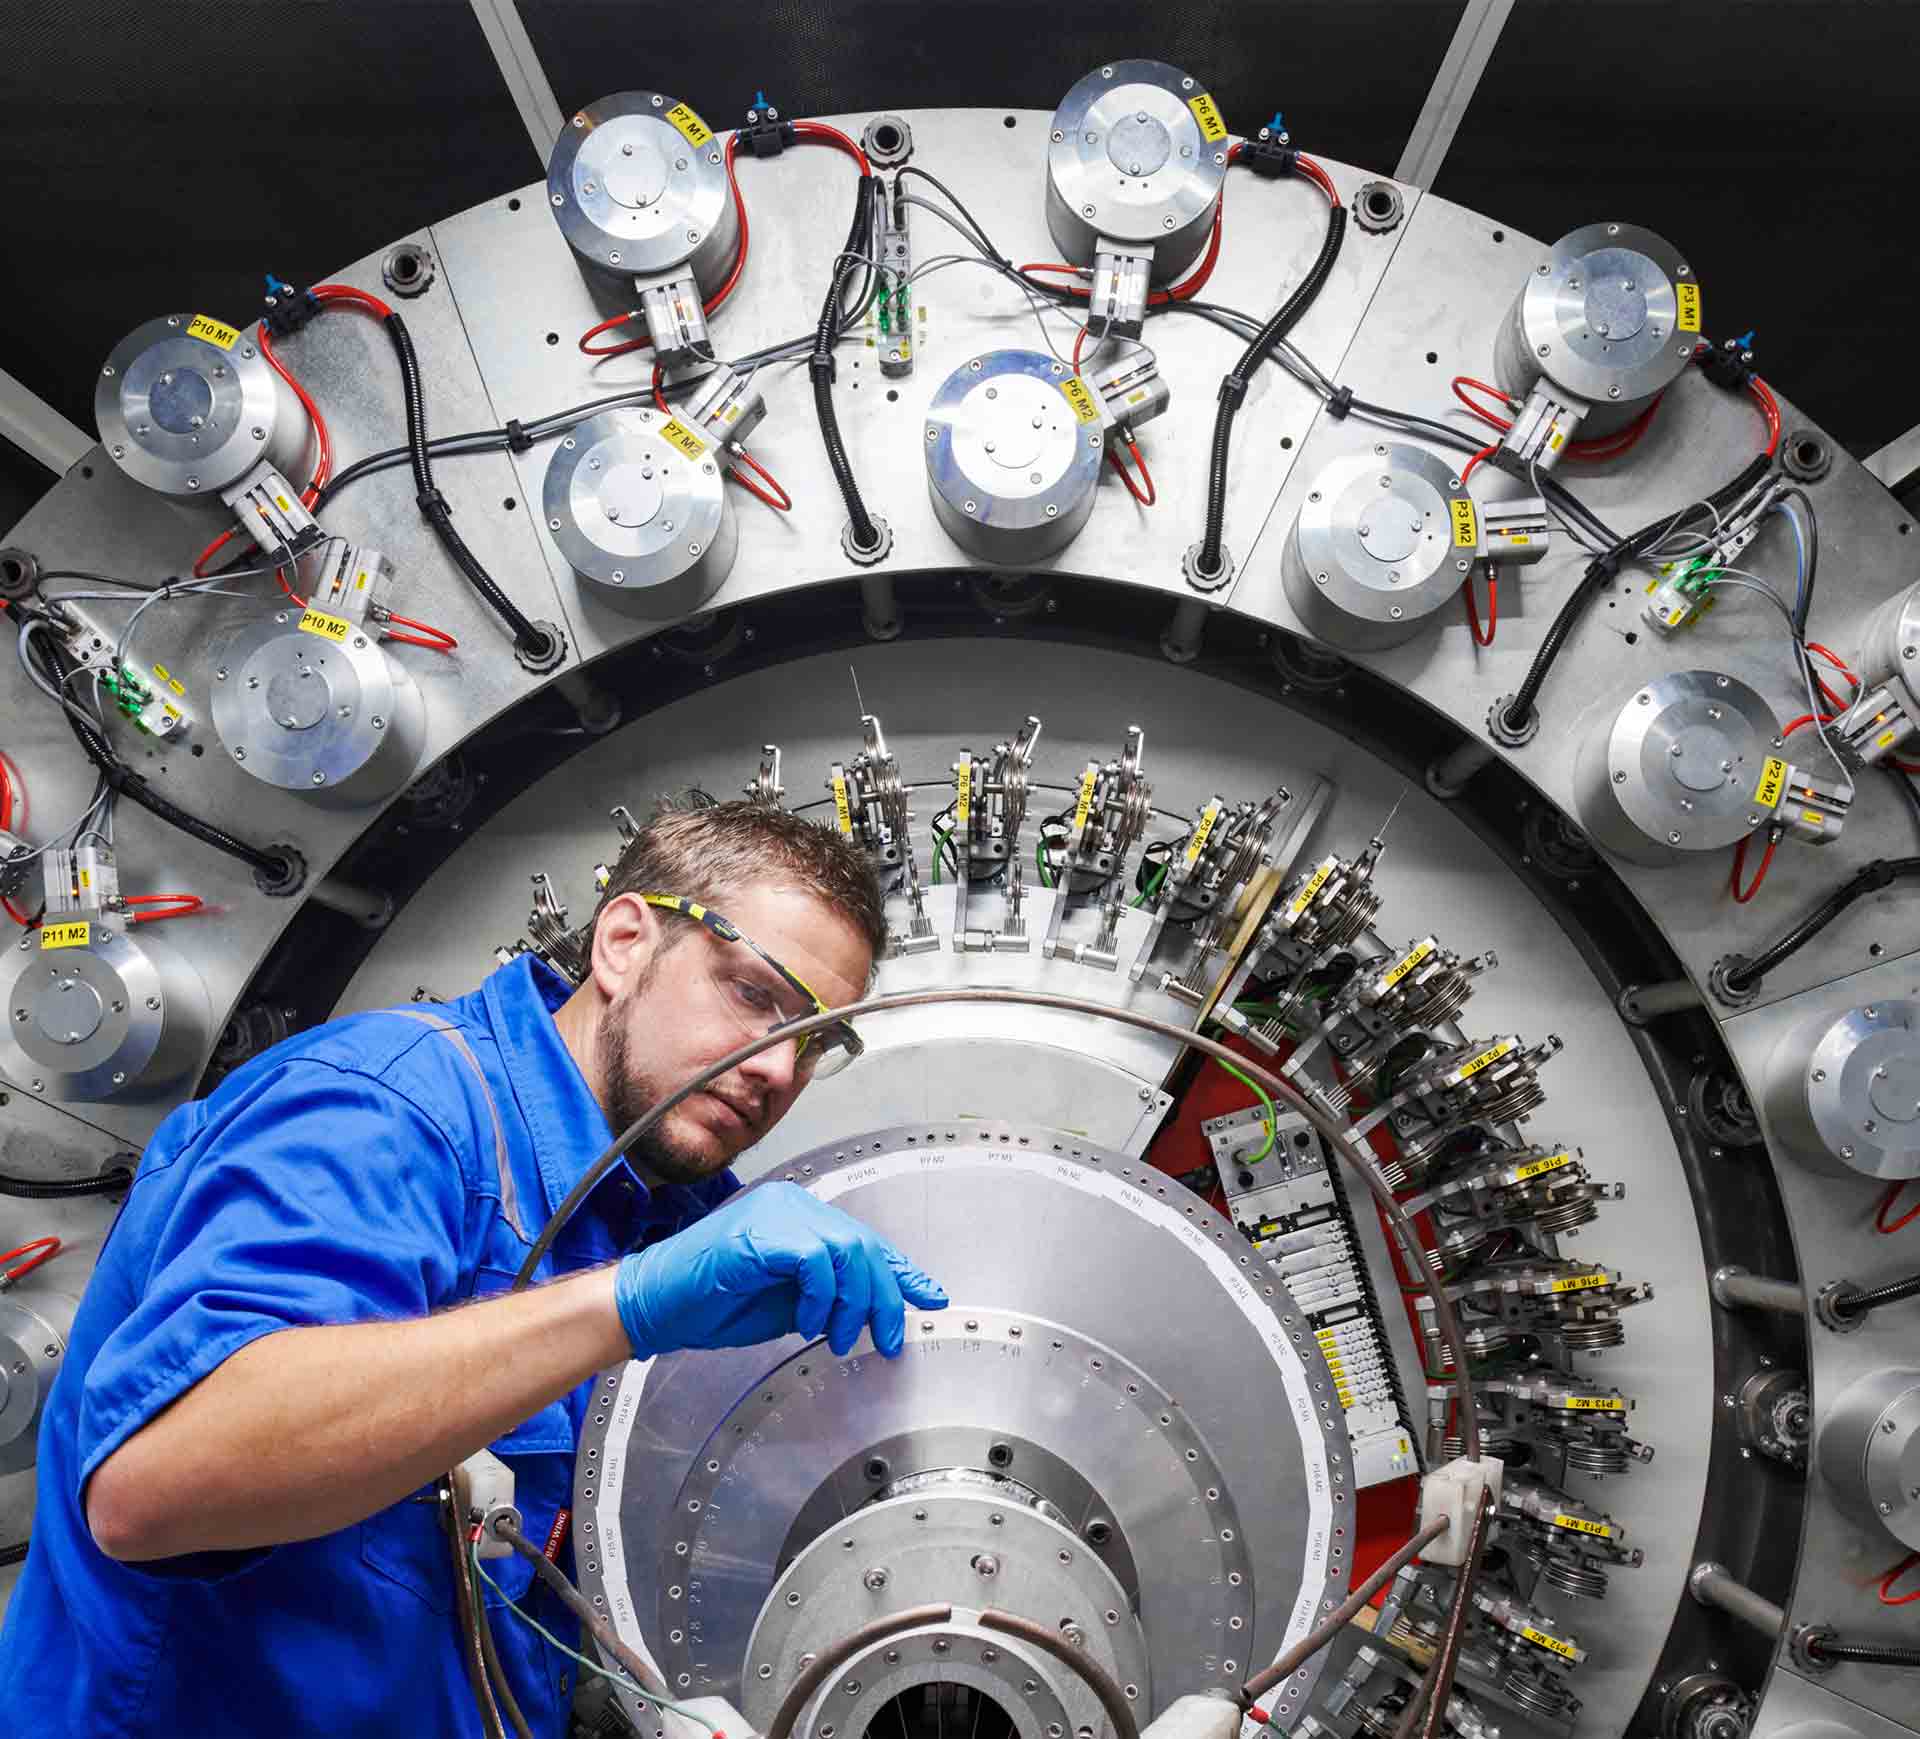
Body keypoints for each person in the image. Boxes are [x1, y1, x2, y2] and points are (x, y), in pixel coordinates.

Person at [0, 798, 947, 1736]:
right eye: (754, 995)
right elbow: (153, 1489)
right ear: (624, 942)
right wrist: (623, 1305)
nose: (779, 1069)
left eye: (817, 1040)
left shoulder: (660, 1211)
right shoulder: (389, 1109)